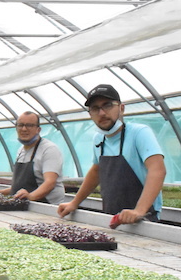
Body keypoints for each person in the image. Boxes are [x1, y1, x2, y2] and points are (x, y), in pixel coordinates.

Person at [57, 84, 166, 224]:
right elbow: (96, 171)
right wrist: (74, 203)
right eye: (95, 108)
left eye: (107, 105)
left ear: (121, 108)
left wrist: (139, 210)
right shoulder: (99, 138)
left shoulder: (139, 133)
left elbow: (157, 170)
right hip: (112, 217)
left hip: (144, 219)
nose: (102, 113)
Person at [0, 111, 65, 204]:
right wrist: (0, 192)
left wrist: (30, 196)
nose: (24, 129)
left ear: (38, 129)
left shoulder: (49, 149)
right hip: (26, 204)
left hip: (47, 206)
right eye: (20, 125)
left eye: (29, 125)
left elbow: (50, 182)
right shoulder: (21, 151)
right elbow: (20, 187)